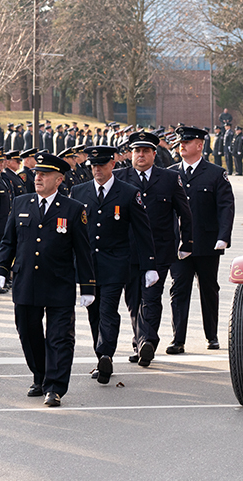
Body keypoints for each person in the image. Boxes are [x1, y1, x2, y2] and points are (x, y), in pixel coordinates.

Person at [0, 152, 96, 407]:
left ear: (59, 179)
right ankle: (40, 376)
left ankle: (55, 386)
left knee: (60, 337)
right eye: (37, 173)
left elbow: (83, 250)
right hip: (26, 282)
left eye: (44, 175)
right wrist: (0, 269)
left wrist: (87, 286)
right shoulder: (21, 204)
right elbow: (8, 242)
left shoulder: (73, 209)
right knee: (28, 334)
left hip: (59, 282)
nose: (37, 178)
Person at [71, 146, 157, 385]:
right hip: (87, 265)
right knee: (93, 312)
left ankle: (105, 354)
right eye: (93, 165)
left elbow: (143, 231)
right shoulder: (78, 192)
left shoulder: (129, 193)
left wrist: (150, 265)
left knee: (108, 309)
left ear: (112, 165)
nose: (97, 169)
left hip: (116, 263)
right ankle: (101, 354)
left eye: (101, 165)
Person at [113, 131, 192, 367]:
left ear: (154, 154)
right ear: (131, 154)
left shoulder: (169, 178)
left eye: (146, 151)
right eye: (137, 151)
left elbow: (184, 212)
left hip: (159, 249)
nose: (141, 155)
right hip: (126, 250)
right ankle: (139, 342)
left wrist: (187, 243)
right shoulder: (119, 178)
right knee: (133, 299)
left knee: (151, 296)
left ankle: (148, 340)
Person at [167, 126, 235, 353]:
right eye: (180, 142)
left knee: (208, 289)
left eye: (187, 141)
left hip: (206, 243)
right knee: (179, 290)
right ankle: (178, 339)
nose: (181, 145)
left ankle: (212, 335)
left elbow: (225, 207)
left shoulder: (215, 173)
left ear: (200, 145)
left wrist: (223, 237)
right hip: (178, 245)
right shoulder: (170, 173)